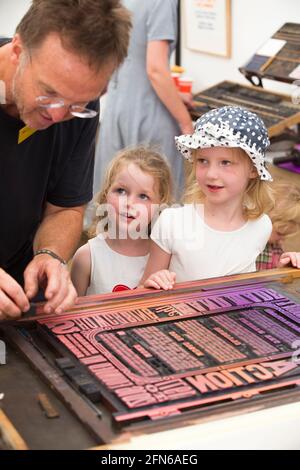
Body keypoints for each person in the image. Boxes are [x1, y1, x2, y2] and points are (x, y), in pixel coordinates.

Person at [0, 0, 131, 320]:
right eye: (49, 92)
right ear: (18, 50)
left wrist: (51, 255)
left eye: (78, 103)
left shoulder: (77, 107)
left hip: (17, 297)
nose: (59, 115)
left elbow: (65, 207)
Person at [140, 105, 275, 290]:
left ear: (253, 169)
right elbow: (142, 291)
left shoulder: (261, 225)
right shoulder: (173, 221)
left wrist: (286, 267)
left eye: (225, 162)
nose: (211, 174)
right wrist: (154, 282)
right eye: (203, 161)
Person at [93, 0, 193, 198]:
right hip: (147, 113)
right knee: (159, 197)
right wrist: (186, 124)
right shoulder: (162, 2)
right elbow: (155, 69)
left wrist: (174, 93)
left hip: (115, 108)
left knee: (112, 193)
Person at [71, 146, 173, 295]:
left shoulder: (165, 256)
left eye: (143, 196)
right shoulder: (87, 257)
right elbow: (71, 315)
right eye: (121, 191)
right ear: (106, 193)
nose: (129, 203)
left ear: (160, 205)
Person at [256, 181, 300, 270]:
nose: (281, 240)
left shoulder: (276, 248)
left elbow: (275, 278)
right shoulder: (247, 243)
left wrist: (284, 265)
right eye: (280, 234)